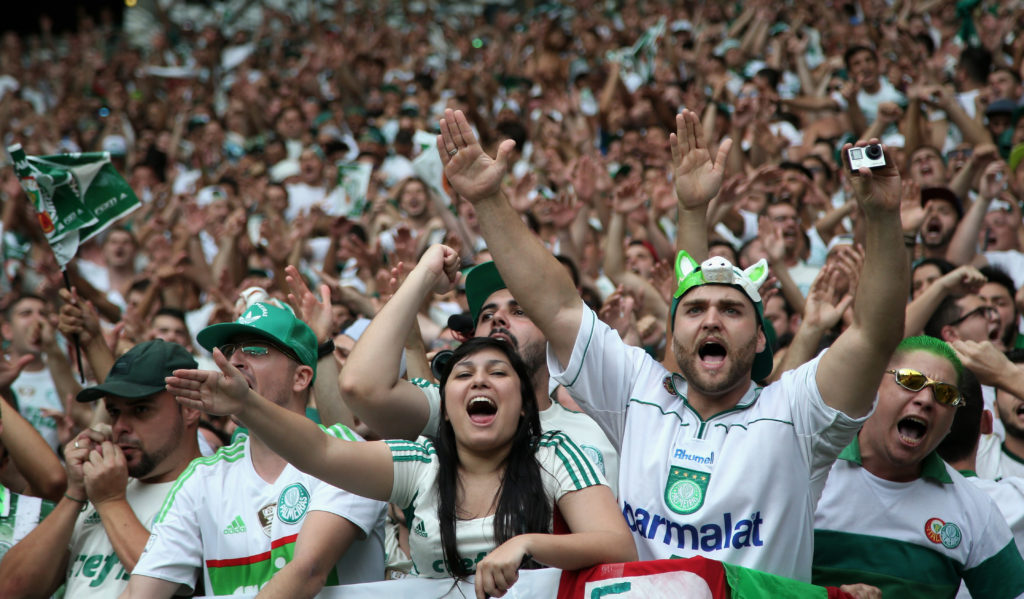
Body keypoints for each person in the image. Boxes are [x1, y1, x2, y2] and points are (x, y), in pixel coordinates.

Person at [434, 107, 907, 582]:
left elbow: (872, 336)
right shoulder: (637, 392)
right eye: (695, 310)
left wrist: (884, 217)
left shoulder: (798, 413)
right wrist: (489, 199)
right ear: (673, 328)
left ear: (762, 335)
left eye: (733, 310)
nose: (711, 322)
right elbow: (556, 305)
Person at [167, 334, 636, 599]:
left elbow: (619, 546)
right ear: (445, 408)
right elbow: (321, 452)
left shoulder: (553, 453)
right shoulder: (420, 463)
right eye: (464, 376)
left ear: (521, 405)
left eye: (498, 373)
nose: (480, 381)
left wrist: (526, 544)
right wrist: (246, 407)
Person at [123, 300, 386, 597]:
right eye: (231, 349)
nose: (235, 361)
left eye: (256, 349)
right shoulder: (203, 477)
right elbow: (140, 593)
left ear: (301, 378)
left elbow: (308, 572)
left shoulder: (347, 450)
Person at [339, 251, 619, 494]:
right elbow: (360, 386)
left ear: (551, 333)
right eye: (486, 316)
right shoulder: (453, 409)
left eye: (519, 311)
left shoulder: (594, 433)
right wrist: (423, 275)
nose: (497, 318)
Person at [812, 336, 1024, 597]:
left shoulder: (974, 509)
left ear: (951, 422)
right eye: (910, 381)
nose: (925, 400)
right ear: (873, 387)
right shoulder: (809, 473)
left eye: (945, 393)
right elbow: (751, 580)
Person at [0, 339, 203, 597]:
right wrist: (75, 494)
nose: (120, 427)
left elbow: (163, 580)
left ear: (190, 409)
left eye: (140, 409)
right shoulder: (104, 483)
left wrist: (109, 500)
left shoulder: (212, 485)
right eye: (114, 412)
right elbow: (11, 591)